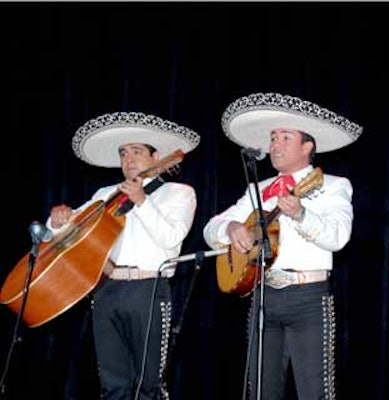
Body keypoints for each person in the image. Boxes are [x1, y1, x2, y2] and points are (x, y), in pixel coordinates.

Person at [203, 93, 363, 399]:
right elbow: (211, 229)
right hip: (264, 296)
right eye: (273, 138)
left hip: (308, 297)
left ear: (307, 147)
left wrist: (301, 214)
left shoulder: (332, 185)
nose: (275, 144)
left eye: (285, 138)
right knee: (261, 390)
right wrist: (232, 227)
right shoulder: (258, 189)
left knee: (315, 391)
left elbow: (339, 237)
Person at [46, 111, 200, 400]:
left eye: (137, 151)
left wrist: (141, 200)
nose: (128, 158)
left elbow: (170, 239)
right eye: (123, 153)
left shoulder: (178, 193)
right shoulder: (106, 193)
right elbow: (70, 230)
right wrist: (57, 221)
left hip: (148, 290)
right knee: (112, 383)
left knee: (150, 385)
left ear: (156, 157)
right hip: (106, 289)